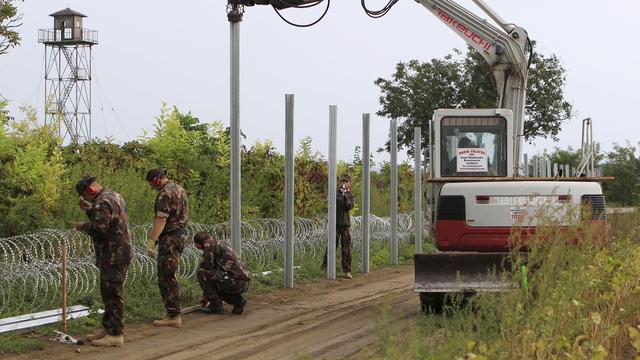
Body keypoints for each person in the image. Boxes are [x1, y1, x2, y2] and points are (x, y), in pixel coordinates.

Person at [74, 176, 133, 347]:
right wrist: (90, 210)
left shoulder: (101, 202)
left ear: (89, 191)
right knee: (108, 292)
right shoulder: (114, 195)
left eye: (85, 195)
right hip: (120, 251)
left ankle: (115, 334)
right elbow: (109, 219)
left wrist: (82, 225)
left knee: (113, 293)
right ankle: (108, 328)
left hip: (113, 254)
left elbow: (99, 228)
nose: (87, 199)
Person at [145, 169, 189, 328]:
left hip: (170, 237)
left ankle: (173, 315)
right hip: (181, 235)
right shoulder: (180, 189)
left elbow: (161, 220)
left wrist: (152, 241)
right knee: (170, 273)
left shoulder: (165, 194)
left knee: (166, 275)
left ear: (156, 180)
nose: (152, 187)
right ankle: (173, 313)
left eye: (152, 184)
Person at [193, 232, 251, 315]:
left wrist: (206, 296)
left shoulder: (209, 246)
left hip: (234, 282)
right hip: (243, 283)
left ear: (198, 246)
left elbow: (206, 268)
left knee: (201, 273)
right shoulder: (218, 244)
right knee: (216, 279)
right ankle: (238, 301)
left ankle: (216, 307)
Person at [322, 174, 355, 279]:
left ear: (349, 183)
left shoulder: (349, 195)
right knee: (331, 246)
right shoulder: (335, 193)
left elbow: (349, 206)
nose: (344, 183)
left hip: (345, 224)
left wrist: (345, 195)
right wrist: (339, 194)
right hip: (335, 224)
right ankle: (325, 267)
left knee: (346, 248)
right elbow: (330, 204)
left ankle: (347, 270)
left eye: (347, 181)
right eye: (343, 181)